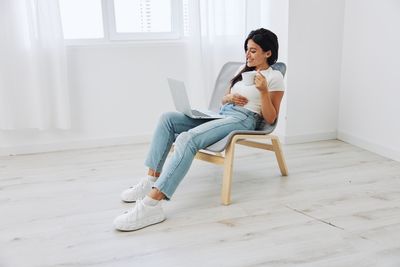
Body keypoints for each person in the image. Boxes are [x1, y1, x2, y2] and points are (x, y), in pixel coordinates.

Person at [113, 28, 285, 231]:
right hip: (223, 114)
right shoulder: (243, 70)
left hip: (243, 119)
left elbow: (271, 117)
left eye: (253, 51)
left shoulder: (273, 77)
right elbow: (223, 99)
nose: (247, 54)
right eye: (247, 49)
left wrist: (263, 91)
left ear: (268, 53)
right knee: (168, 119)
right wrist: (229, 98)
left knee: (187, 138)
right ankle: (151, 179)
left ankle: (152, 204)